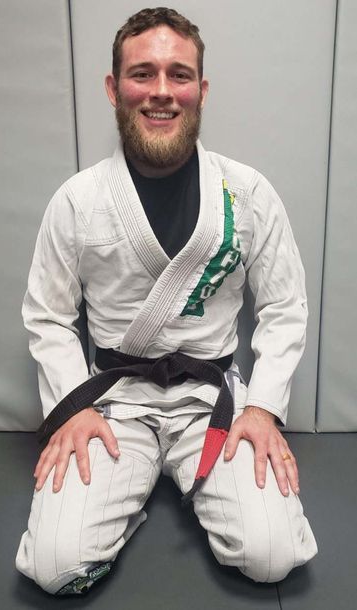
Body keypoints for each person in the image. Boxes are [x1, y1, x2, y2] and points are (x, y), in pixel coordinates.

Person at [16, 7, 317, 596]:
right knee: (56, 568)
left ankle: (174, 481)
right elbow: (48, 314)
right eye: (142, 73)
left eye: (179, 75)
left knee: (272, 557)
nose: (161, 92)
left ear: (202, 90)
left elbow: (285, 308)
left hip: (213, 401)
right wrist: (72, 409)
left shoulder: (248, 193)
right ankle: (125, 490)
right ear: (113, 88)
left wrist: (263, 407)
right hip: (113, 403)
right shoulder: (77, 201)